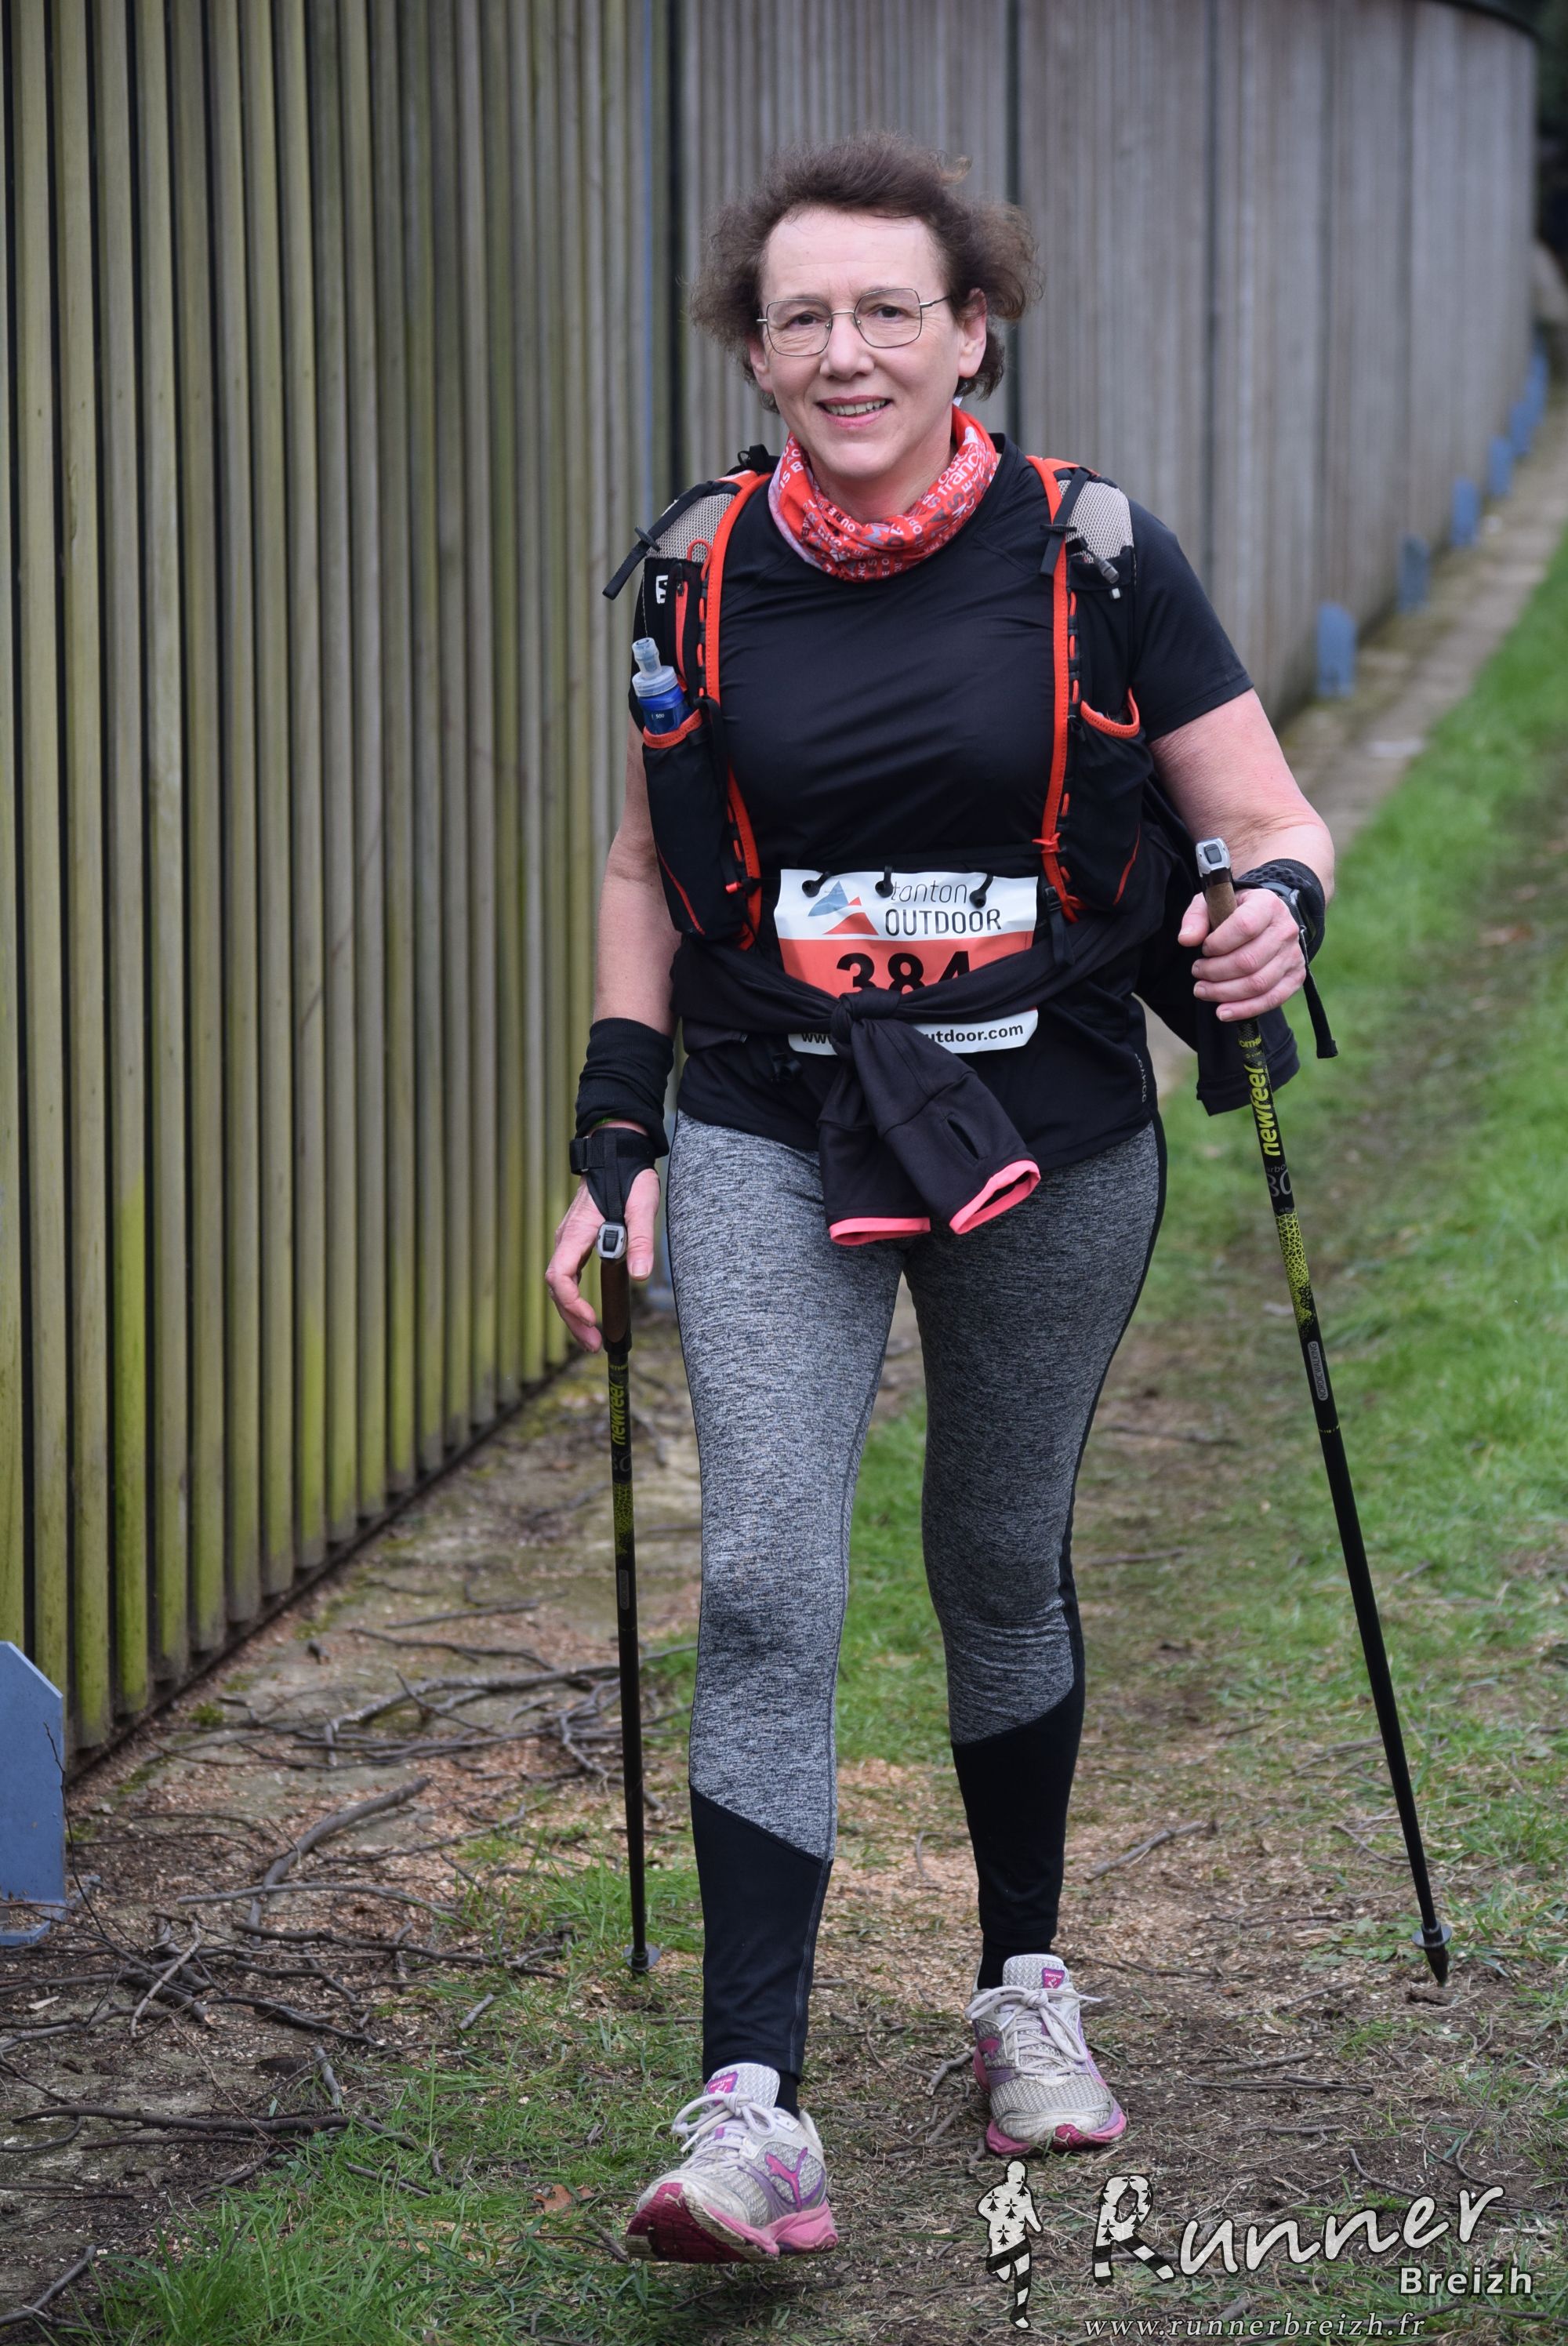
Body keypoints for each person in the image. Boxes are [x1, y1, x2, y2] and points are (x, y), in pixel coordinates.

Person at [546, 133, 1333, 2266]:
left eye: (891, 308)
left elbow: (1270, 817)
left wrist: (1273, 914)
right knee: (765, 1578)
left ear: (971, 330)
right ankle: (752, 2107)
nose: (848, 351)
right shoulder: (696, 573)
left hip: (1045, 1124)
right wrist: (612, 1137)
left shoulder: (1097, 554)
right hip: (769, 1118)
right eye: (802, 314)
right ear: (754, 348)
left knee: (995, 1554)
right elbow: (643, 868)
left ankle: (1021, 1986)